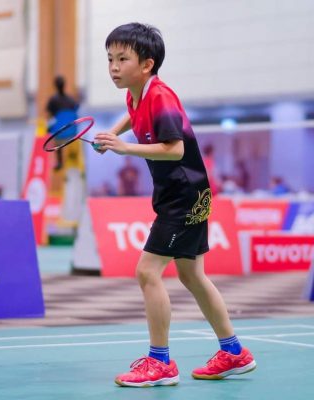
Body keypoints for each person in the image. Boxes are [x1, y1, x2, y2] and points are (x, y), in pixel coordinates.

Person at [94, 23, 256, 387]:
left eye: (122, 59)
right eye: (110, 59)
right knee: (192, 275)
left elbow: (175, 149)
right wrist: (112, 134)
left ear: (147, 64)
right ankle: (233, 352)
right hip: (187, 193)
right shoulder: (137, 94)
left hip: (183, 196)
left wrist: (125, 148)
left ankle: (160, 362)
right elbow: (133, 114)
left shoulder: (161, 97)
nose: (114, 67)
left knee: (147, 272)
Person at [45, 76, 79, 170]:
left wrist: (48, 129)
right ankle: (73, 158)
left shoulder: (53, 101)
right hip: (73, 133)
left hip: (60, 134)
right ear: (64, 85)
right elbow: (76, 112)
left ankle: (59, 163)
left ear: (55, 86)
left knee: (50, 132)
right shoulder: (71, 100)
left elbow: (50, 117)